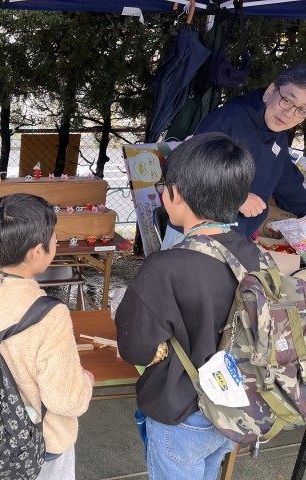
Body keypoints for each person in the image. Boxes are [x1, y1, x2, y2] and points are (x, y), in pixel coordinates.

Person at [116, 133, 259, 479]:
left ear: (176, 194)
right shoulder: (253, 254)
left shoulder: (166, 267)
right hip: (232, 409)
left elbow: (135, 349)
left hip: (183, 413)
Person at [0, 193, 94, 480]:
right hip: (38, 442)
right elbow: (64, 400)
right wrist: (85, 383)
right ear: (37, 252)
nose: (56, 245)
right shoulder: (51, 314)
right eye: (55, 240)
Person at [162, 64, 306, 248]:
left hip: (234, 239)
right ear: (270, 91)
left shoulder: (277, 134)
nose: (289, 114)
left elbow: (286, 181)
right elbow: (185, 171)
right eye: (287, 101)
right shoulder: (229, 119)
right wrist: (238, 198)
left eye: (301, 110)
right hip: (194, 236)